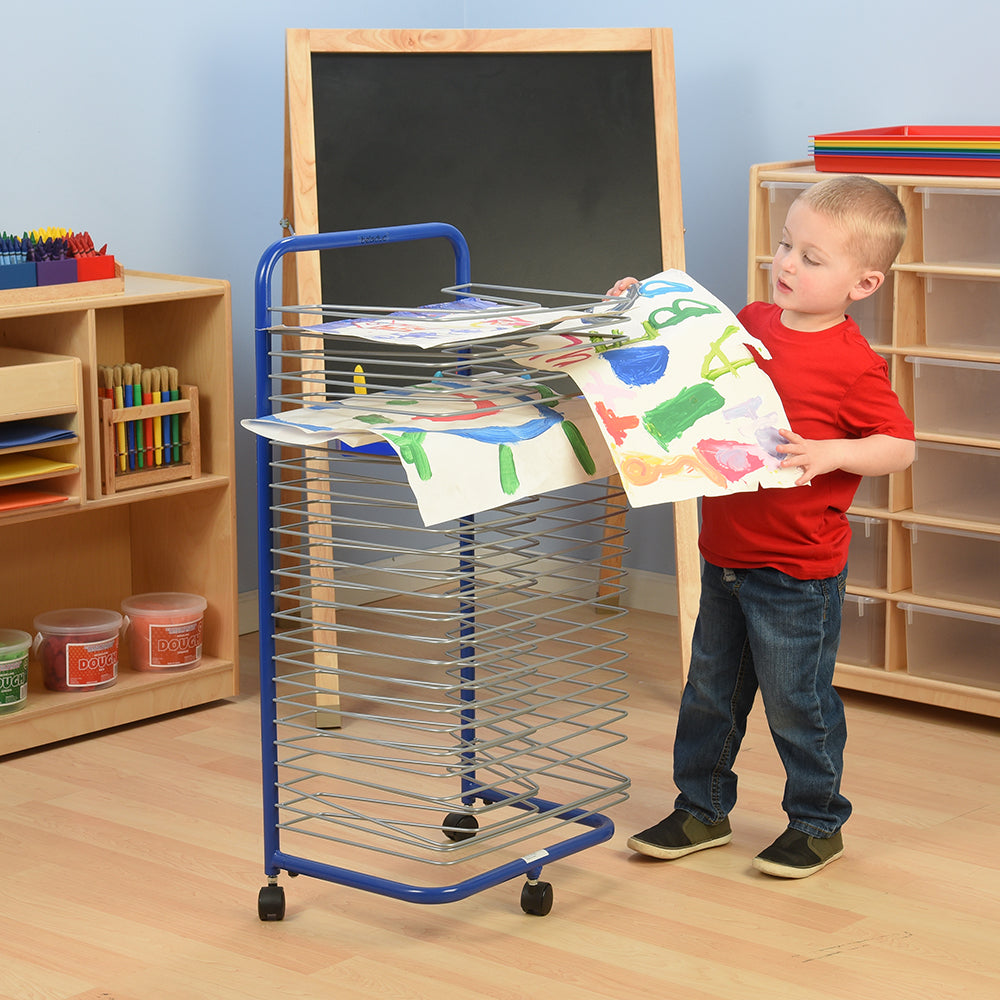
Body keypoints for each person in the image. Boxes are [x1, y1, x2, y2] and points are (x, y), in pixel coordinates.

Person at [609, 175, 915, 878]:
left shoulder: (853, 364)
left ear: (862, 283)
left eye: (812, 258)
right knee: (710, 694)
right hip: (725, 555)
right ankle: (701, 808)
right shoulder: (750, 321)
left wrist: (835, 452)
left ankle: (816, 822)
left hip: (797, 573)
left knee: (796, 703)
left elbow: (900, 446)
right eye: (785, 245)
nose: (786, 264)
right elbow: (685, 359)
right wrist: (634, 311)